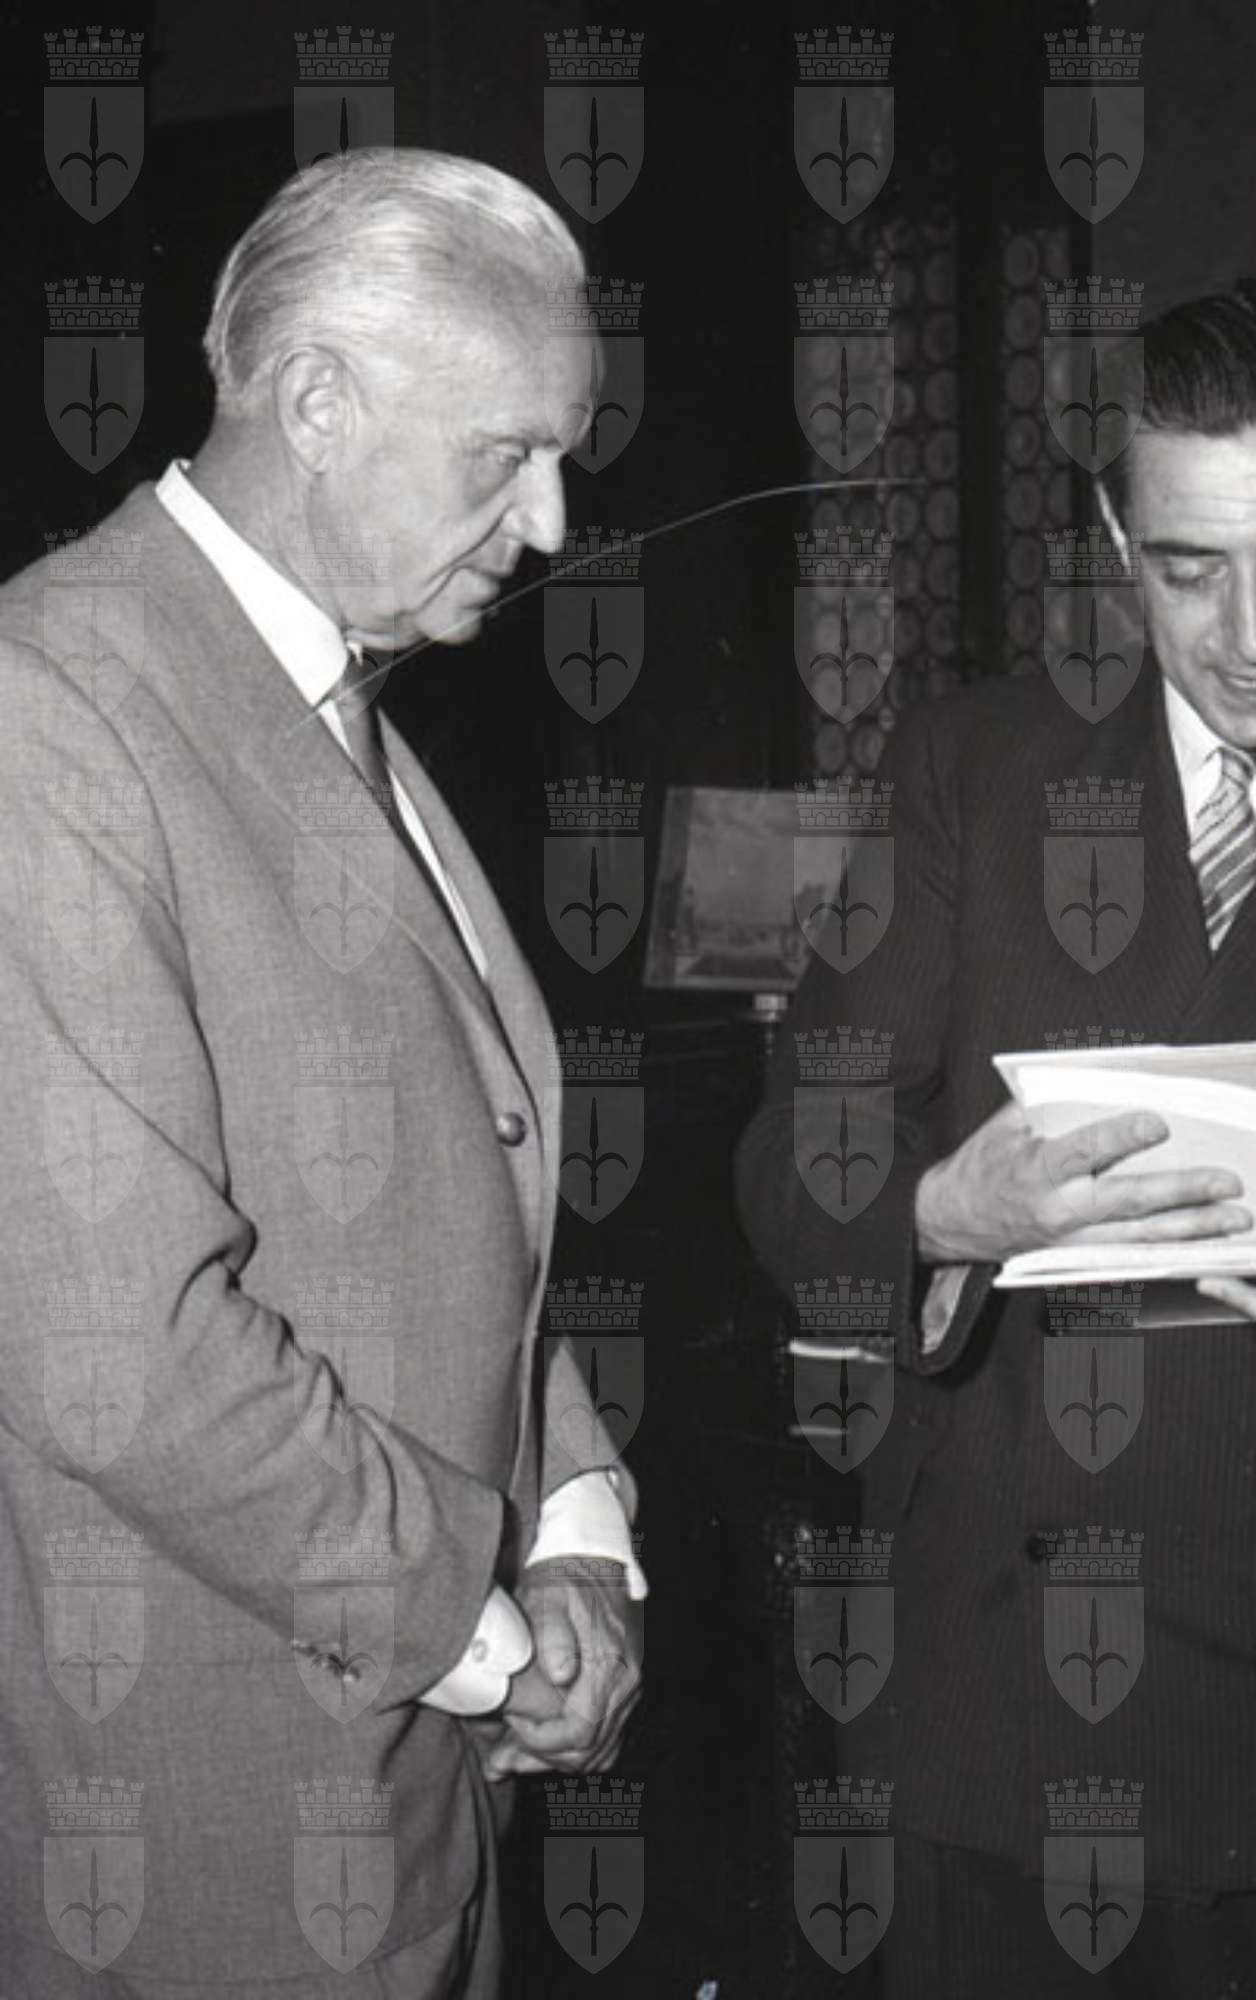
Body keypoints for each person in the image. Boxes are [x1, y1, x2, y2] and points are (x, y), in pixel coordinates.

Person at [735, 275, 1256, 1995]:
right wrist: (936, 1210)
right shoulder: (974, 770)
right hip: (991, 1723)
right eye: (1188, 569)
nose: (1250, 634)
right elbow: (786, 1163)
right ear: (1118, 538)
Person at [0, 151, 647, 1996]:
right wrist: (485, 1630)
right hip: (206, 1842)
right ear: (314, 403)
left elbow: (456, 1185)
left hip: (404, 1806)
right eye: (505, 454)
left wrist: (573, 1527)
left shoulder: (322, 683)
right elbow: (120, 1352)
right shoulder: (49, 709)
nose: (548, 521)